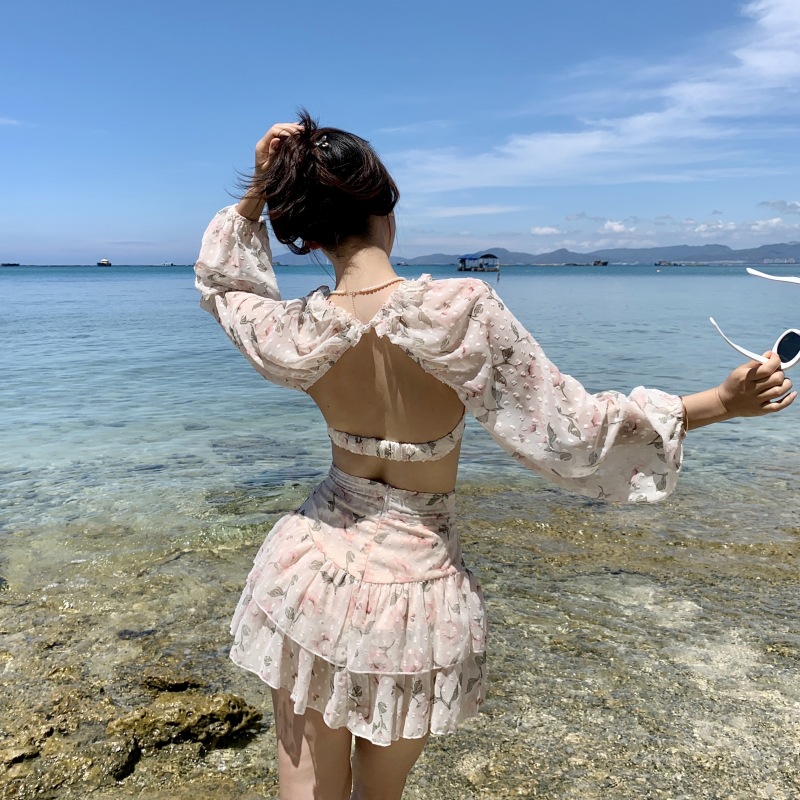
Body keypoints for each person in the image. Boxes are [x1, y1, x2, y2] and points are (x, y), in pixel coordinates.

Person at [194, 112, 795, 800]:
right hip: (409, 596)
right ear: (385, 207)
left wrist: (256, 193)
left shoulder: (298, 329)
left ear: (307, 232)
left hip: (307, 571)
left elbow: (226, 289)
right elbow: (574, 436)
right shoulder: (458, 313)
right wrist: (719, 403)